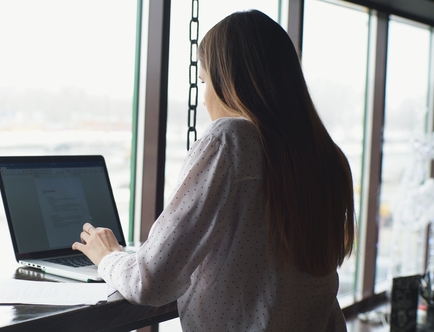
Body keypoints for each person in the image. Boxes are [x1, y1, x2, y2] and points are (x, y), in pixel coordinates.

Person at [72, 9, 355, 331]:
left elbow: (149, 284)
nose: (205, 99)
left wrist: (107, 255)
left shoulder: (230, 139)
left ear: (230, 82)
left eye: (204, 81)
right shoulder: (329, 157)